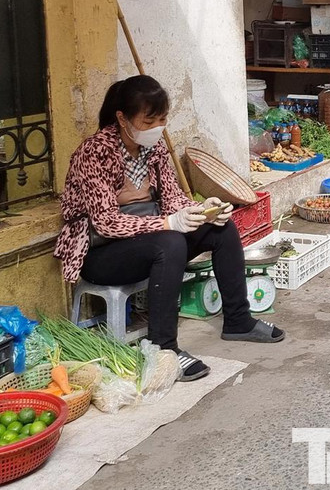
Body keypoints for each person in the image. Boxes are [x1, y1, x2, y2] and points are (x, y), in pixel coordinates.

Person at [57, 75, 286, 383]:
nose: (156, 127)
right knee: (171, 243)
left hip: (149, 239)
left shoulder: (154, 149)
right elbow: (105, 222)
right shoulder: (94, 153)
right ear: (122, 118)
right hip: (101, 253)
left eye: (162, 119)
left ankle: (238, 320)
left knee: (222, 230)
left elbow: (173, 197)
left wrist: (202, 211)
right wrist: (167, 223)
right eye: (149, 120)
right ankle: (163, 349)